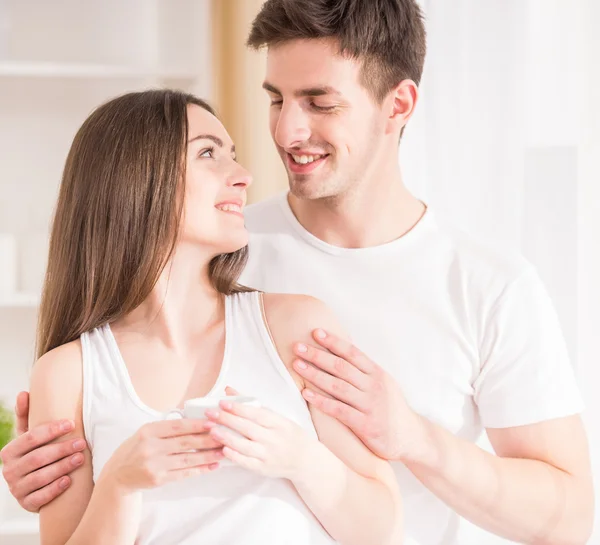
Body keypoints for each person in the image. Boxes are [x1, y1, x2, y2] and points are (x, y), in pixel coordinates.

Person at [1, 0, 594, 543]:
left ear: (400, 105)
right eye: (276, 99)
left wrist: (415, 439)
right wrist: (65, 475)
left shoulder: (487, 286)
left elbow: (569, 518)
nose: (286, 132)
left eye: (320, 101)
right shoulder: (214, 245)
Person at [1, 89, 401, 545]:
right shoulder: (69, 374)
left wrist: (301, 459)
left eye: (232, 154)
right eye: (208, 153)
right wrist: (119, 484)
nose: (243, 176)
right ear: (135, 178)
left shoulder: (295, 329)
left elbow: (382, 529)